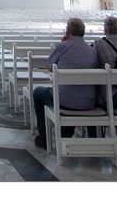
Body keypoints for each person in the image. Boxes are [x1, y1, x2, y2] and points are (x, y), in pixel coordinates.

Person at [32, 17, 97, 150]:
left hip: (64, 100)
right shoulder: (92, 51)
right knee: (73, 91)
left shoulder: (63, 46)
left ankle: (44, 139)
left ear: (68, 31)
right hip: (89, 102)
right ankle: (88, 137)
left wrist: (62, 44)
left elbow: (50, 67)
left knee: (38, 92)